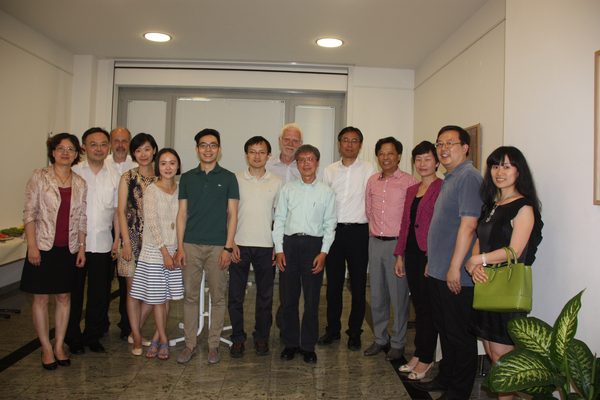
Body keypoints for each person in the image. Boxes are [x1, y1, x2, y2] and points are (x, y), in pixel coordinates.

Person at [465, 146, 543, 400]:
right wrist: (476, 265)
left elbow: (515, 251)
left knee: (503, 359)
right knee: (492, 352)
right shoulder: (493, 204)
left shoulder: (524, 207)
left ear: (519, 171)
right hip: (487, 286)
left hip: (506, 289)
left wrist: (478, 259)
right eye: (496, 166)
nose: (499, 172)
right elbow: (480, 238)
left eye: (507, 167)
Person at [412, 125, 483, 400]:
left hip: (457, 274)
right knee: (445, 331)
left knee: (459, 335)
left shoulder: (469, 177)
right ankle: (445, 378)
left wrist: (454, 267)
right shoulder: (450, 177)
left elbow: (469, 226)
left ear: (465, 147)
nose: (443, 148)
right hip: (439, 270)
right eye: (440, 143)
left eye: (450, 143)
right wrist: (433, 261)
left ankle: (458, 391)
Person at [20, 133, 87, 370]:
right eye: (60, 148)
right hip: (42, 247)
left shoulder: (80, 182)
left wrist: (81, 248)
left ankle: (58, 345)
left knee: (64, 297)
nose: (65, 153)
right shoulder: (40, 176)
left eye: (70, 149)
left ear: (77, 154)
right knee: (40, 298)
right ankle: (46, 348)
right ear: (53, 152)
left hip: (68, 248)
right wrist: (32, 246)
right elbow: (29, 214)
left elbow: (82, 218)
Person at [174, 128, 239, 365]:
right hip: (190, 245)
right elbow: (182, 214)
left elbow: (233, 215)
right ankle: (190, 344)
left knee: (218, 298)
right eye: (203, 145)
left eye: (212, 145)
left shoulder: (229, 177)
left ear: (219, 149)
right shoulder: (187, 178)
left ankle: (213, 345)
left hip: (218, 246)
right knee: (190, 297)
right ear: (197, 149)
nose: (208, 149)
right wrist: (180, 246)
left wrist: (228, 248)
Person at [273, 144, 337, 365]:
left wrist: (323, 252)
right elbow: (279, 220)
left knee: (311, 300)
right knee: (288, 298)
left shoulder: (326, 192)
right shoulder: (287, 190)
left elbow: (330, 225)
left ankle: (308, 346)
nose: (306, 163)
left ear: (317, 163)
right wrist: (279, 249)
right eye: (302, 159)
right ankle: (290, 343)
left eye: (310, 159)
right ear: (297, 163)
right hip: (289, 245)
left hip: (314, 247)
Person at [318, 127, 377, 351]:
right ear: (339, 143)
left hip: (359, 232)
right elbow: (324, 202)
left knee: (358, 284)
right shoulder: (329, 170)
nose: (350, 144)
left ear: (360, 145)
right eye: (345, 140)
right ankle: (332, 330)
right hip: (334, 232)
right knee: (333, 284)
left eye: (354, 141)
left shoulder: (369, 169)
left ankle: (354, 331)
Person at [66, 127, 120, 355]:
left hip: (103, 244)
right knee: (73, 293)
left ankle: (93, 336)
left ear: (108, 147)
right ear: (84, 147)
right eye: (93, 144)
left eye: (103, 144)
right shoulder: (73, 172)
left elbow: (117, 212)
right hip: (74, 245)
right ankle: (72, 337)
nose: (99, 149)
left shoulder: (115, 175)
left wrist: (117, 240)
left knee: (100, 295)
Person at [228, 136, 282, 358]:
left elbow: (279, 218)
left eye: (261, 152)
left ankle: (261, 337)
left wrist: (277, 245)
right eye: (252, 151)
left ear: (268, 156)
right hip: (239, 245)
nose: (257, 156)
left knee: (265, 296)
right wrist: (230, 242)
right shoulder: (235, 179)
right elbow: (228, 213)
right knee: (235, 296)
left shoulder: (277, 182)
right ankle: (237, 338)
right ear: (246, 154)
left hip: (266, 246)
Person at [365, 137, 418, 361]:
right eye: (381, 153)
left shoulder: (410, 182)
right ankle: (380, 338)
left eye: (390, 153)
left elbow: (410, 218)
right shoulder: (372, 181)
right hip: (375, 243)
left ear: (399, 156)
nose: (385, 157)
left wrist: (402, 249)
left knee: (398, 297)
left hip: (398, 245)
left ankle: (398, 342)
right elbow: (369, 211)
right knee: (377, 294)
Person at [393, 141, 442, 380]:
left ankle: (426, 358)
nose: (422, 164)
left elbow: (441, 227)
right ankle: (419, 353)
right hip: (412, 254)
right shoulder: (412, 189)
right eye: (418, 159)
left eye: (428, 159)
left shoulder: (442, 188)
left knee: (429, 309)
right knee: (419, 307)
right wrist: (399, 255)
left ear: (437, 162)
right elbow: (405, 224)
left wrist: (434, 258)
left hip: (429, 255)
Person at [130, 148, 185, 360]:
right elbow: (151, 223)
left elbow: (183, 219)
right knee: (158, 299)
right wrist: (164, 252)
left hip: (174, 249)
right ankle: (163, 339)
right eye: (163, 163)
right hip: (155, 251)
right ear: (157, 166)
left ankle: (155, 338)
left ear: (178, 166)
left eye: (172, 163)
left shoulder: (181, 189)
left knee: (166, 295)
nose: (168, 167)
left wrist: (177, 249)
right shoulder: (152, 190)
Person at [116, 133, 158, 355]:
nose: (143, 154)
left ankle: (135, 332)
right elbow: (121, 212)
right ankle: (137, 339)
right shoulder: (127, 177)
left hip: (155, 242)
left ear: (154, 150)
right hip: (131, 239)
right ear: (134, 153)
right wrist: (125, 242)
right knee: (133, 292)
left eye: (147, 149)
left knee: (154, 291)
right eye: (138, 150)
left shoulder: (162, 177)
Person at [266, 123, 303, 331]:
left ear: (301, 143)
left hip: (292, 231)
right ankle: (263, 326)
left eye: (295, 140)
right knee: (266, 280)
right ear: (280, 141)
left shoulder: (304, 166)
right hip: (268, 227)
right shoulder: (267, 165)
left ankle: (285, 324)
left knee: (289, 282)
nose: (290, 144)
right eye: (286, 139)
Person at [105, 127, 138, 340]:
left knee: (128, 282)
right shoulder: (102, 164)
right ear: (110, 143)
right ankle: (99, 325)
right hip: (103, 229)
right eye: (116, 141)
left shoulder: (136, 167)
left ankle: (127, 326)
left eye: (124, 141)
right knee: (102, 282)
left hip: (129, 231)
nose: (120, 145)